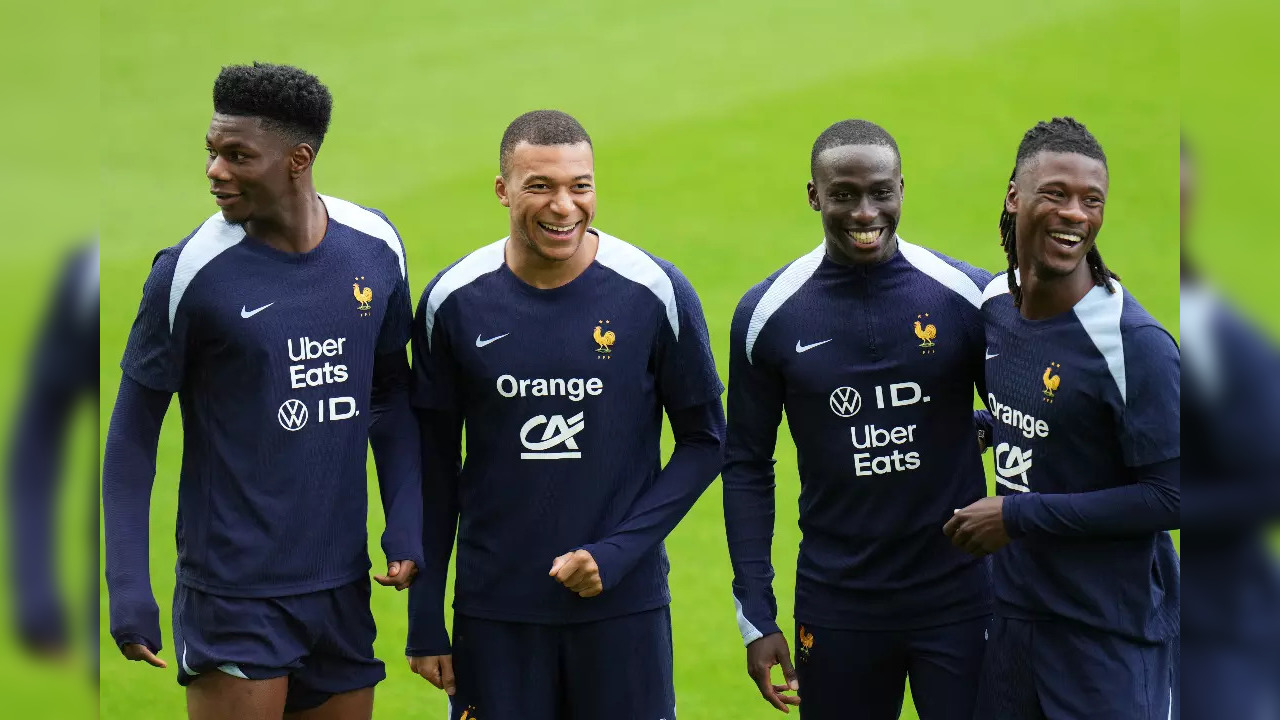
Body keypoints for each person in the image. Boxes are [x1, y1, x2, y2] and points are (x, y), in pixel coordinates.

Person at [102, 62, 423, 720]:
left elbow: (390, 396)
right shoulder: (191, 273)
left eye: (238, 155)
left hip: (340, 585)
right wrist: (129, 585)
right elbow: (133, 433)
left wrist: (407, 519)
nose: (215, 171)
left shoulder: (375, 248)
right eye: (212, 152)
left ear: (298, 159)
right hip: (234, 592)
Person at [404, 109, 725, 720]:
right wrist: (424, 620)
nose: (563, 206)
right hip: (494, 612)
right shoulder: (453, 300)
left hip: (622, 609)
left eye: (580, 186)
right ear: (502, 190)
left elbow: (706, 441)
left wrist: (619, 552)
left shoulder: (654, 290)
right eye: (540, 186)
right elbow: (433, 467)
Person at [723, 119, 993, 718]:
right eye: (843, 194)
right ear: (814, 195)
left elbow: (1028, 419)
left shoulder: (968, 296)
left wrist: (976, 429)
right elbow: (745, 462)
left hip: (961, 597)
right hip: (838, 602)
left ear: (902, 189)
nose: (864, 212)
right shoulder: (769, 313)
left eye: (880, 192)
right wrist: (756, 613)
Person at [944, 117, 1179, 719]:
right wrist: (981, 427)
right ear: (1014, 195)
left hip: (1105, 639)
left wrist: (1018, 515)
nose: (1075, 213)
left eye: (1091, 200)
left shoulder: (1134, 345)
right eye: (1056, 193)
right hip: (1012, 624)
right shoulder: (997, 306)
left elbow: (1171, 496)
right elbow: (1052, 422)